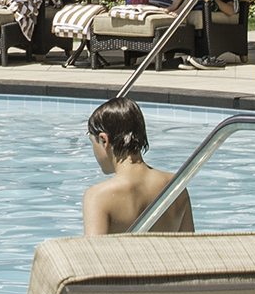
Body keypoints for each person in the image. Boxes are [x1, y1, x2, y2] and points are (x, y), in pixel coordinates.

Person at [81, 100, 193, 236]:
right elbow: (189, 249)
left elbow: (92, 255)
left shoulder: (98, 196)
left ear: (104, 140)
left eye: (92, 142)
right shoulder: (175, 186)